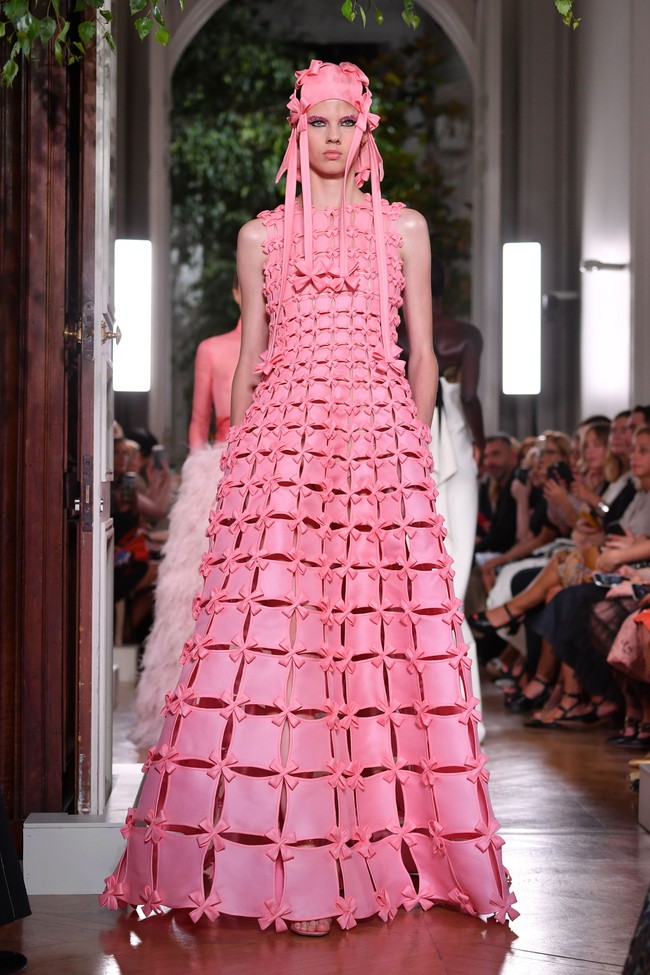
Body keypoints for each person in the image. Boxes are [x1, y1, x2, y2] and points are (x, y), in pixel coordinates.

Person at [102, 60, 516, 935]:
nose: (332, 136)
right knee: (278, 634)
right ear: (299, 129)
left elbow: (423, 353)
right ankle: (267, 850)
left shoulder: (403, 228)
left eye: (345, 121)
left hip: (377, 443)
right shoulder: (263, 237)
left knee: (373, 635)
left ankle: (390, 846)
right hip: (282, 449)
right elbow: (251, 356)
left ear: (365, 130)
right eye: (318, 122)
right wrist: (243, 464)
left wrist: (406, 446)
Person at [130, 282, 242, 748]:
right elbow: (199, 420)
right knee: (197, 595)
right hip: (217, 473)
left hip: (279, 468)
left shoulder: (293, 347)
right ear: (237, 291)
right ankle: (188, 719)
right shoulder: (212, 349)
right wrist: (202, 477)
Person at [429, 257, 486, 733]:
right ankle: (466, 712)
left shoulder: (395, 332)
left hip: (407, 444)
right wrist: (483, 441)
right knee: (456, 575)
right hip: (458, 450)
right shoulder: (464, 333)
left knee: (421, 576)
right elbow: (468, 398)